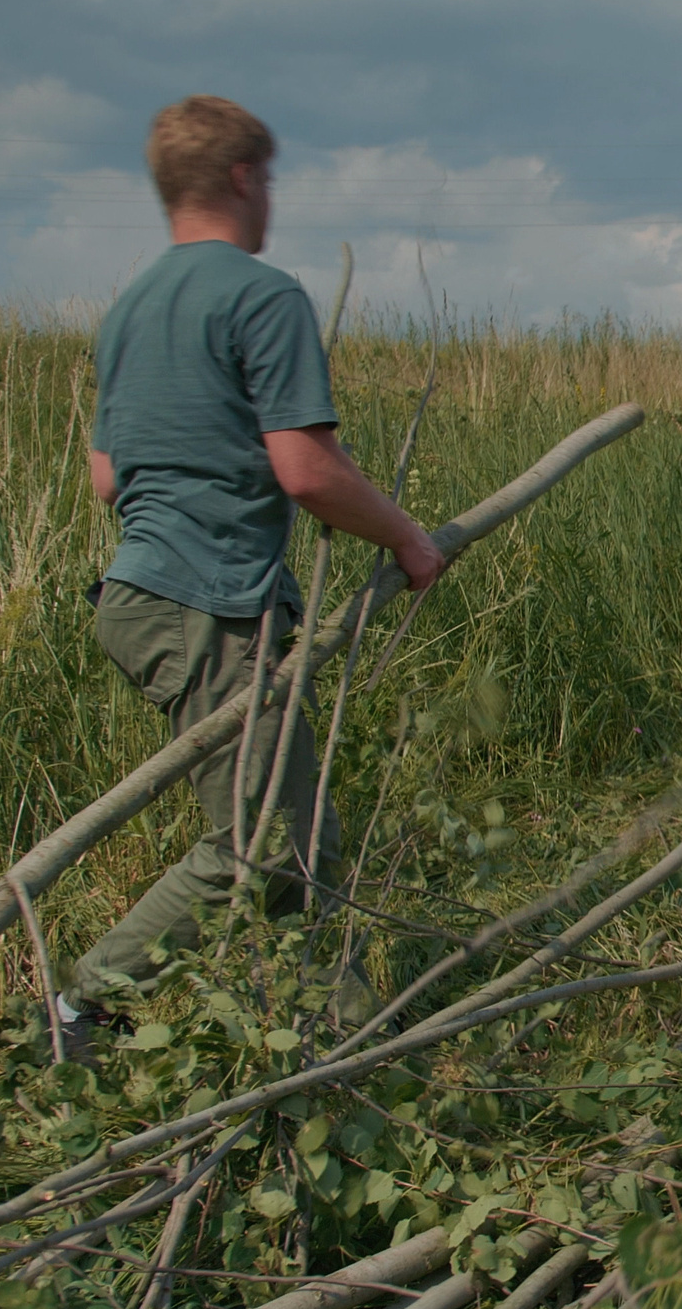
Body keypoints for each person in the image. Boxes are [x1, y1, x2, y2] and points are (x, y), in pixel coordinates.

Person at [59, 95, 448, 1051]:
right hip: (213, 602)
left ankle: (335, 1040)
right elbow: (307, 470)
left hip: (139, 595)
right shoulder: (260, 296)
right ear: (242, 178)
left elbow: (108, 480)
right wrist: (408, 536)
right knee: (261, 845)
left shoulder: (129, 310)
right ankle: (81, 1007)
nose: (271, 196)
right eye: (267, 177)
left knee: (299, 840)